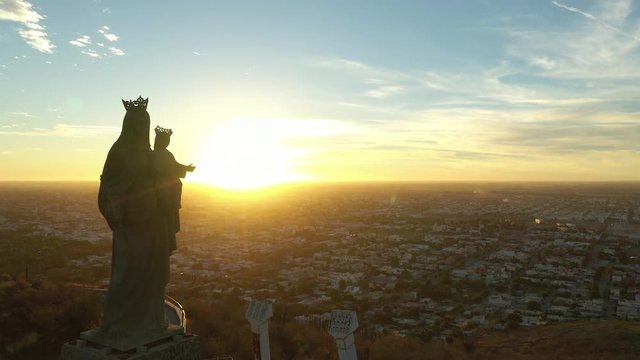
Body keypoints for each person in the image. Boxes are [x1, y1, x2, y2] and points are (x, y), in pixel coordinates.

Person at [95, 96, 172, 349]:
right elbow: (108, 188)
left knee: (155, 274)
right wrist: (119, 219)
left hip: (154, 225)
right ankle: (120, 326)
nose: (144, 129)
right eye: (140, 124)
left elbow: (164, 177)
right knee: (127, 277)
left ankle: (151, 322)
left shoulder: (148, 153)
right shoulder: (120, 152)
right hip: (132, 227)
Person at [152, 126, 195, 253]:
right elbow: (170, 169)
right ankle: (166, 242)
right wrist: (185, 169)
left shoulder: (157, 154)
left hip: (165, 193)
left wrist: (186, 168)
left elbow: (174, 166)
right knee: (167, 221)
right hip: (165, 194)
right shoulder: (163, 154)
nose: (167, 142)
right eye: (166, 140)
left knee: (166, 220)